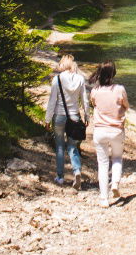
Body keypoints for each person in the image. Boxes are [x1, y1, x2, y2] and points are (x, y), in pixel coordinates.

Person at [45, 54, 89, 190]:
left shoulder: (57, 79)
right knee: (72, 146)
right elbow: (84, 100)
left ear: (63, 65)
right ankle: (76, 171)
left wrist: (47, 119)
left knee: (59, 146)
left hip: (59, 115)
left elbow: (52, 101)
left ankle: (60, 177)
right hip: (74, 116)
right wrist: (87, 115)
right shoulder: (80, 79)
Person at [90, 60, 129, 208]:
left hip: (100, 130)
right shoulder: (119, 89)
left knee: (102, 164)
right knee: (117, 158)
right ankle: (116, 183)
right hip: (116, 130)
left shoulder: (95, 91)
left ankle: (104, 198)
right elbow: (126, 105)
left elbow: (94, 103)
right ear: (113, 74)